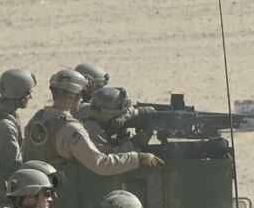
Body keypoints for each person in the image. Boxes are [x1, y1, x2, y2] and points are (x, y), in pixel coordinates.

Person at [22, 69, 164, 176]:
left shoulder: (36, 120)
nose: (82, 99)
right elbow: (101, 164)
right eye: (81, 94)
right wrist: (140, 158)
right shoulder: (71, 129)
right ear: (73, 94)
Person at [83, 87, 154, 154]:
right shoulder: (91, 129)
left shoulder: (98, 114)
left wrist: (123, 135)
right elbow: (108, 160)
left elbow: (127, 113)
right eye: (118, 117)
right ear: (108, 115)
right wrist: (135, 142)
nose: (122, 119)